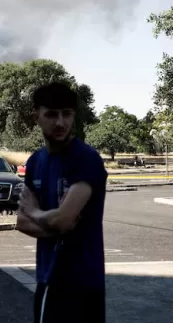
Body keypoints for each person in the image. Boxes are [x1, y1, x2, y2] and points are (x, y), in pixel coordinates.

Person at [16, 82, 108, 323]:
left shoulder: (86, 159)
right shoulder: (35, 162)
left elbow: (62, 219)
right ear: (36, 116)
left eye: (66, 114)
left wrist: (37, 213)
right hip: (48, 280)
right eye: (51, 114)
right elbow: (22, 222)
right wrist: (58, 224)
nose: (60, 123)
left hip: (84, 284)